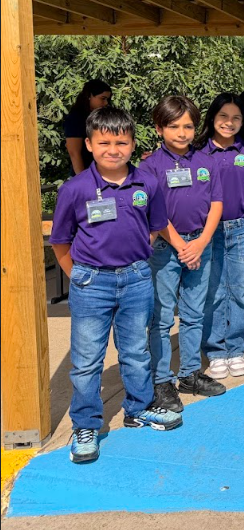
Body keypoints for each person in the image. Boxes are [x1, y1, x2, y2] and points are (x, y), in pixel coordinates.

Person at [49, 107, 181, 464]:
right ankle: (86, 424)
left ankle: (138, 409)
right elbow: (61, 241)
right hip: (92, 282)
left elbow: (154, 228)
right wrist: (79, 274)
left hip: (137, 279)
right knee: (87, 359)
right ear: (89, 145)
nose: (113, 149)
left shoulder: (147, 184)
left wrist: (134, 259)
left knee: (137, 351)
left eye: (121, 142)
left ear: (133, 144)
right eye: (104, 142)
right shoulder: (76, 189)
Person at [140, 96, 225, 413]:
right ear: (160, 128)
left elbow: (217, 203)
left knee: (193, 313)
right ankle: (161, 381)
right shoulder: (150, 166)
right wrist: (180, 245)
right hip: (167, 248)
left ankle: (190, 374)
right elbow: (155, 212)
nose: (181, 132)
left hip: (201, 245)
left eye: (188, 125)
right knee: (161, 319)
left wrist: (201, 242)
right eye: (173, 126)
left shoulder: (208, 162)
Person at [199, 93, 244, 380]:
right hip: (208, 232)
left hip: (242, 227)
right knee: (212, 291)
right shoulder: (197, 154)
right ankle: (215, 350)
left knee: (242, 290)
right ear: (213, 118)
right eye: (223, 116)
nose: (229, 123)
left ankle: (236, 348)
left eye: (236, 117)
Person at [63, 79, 112, 175]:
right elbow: (74, 152)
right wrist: (82, 179)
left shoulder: (101, 116)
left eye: (107, 99)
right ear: (89, 96)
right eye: (102, 98)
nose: (106, 103)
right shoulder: (76, 118)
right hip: (86, 173)